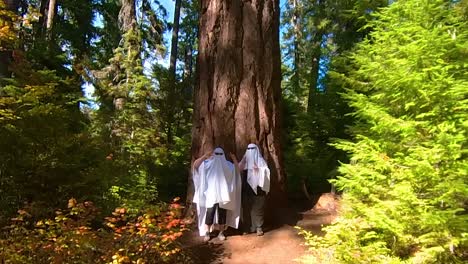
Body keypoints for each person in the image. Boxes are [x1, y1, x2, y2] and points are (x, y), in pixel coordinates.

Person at [192, 147, 241, 242]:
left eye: (220, 154)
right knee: (210, 213)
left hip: (223, 195)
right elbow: (196, 166)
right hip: (211, 195)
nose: (218, 156)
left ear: (223, 155)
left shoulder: (228, 165)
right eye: (216, 154)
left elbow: (237, 170)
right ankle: (207, 232)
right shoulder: (207, 164)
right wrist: (204, 157)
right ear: (213, 154)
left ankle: (221, 232)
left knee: (222, 214)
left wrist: (234, 159)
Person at [239, 143, 270, 236]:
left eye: (253, 149)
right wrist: (244, 160)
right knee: (246, 208)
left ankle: (258, 227)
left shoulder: (261, 162)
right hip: (246, 189)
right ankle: (247, 227)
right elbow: (238, 169)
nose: (250, 151)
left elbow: (267, 172)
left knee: (258, 208)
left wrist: (259, 170)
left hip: (259, 189)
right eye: (249, 149)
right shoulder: (245, 161)